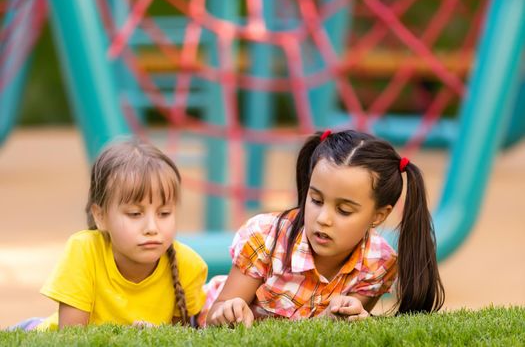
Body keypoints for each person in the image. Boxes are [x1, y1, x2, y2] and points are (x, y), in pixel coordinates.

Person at [200, 129, 444, 327]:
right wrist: (229, 311)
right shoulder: (265, 237)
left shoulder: (378, 263)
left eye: (344, 210)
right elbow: (213, 318)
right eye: (316, 200)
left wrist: (349, 317)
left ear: (379, 215)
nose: (323, 218)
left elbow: (329, 334)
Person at [18, 139, 208, 330]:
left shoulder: (188, 265)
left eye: (164, 213)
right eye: (135, 214)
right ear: (100, 216)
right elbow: (71, 337)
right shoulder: (85, 252)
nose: (152, 227)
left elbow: (178, 337)